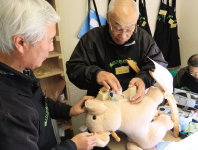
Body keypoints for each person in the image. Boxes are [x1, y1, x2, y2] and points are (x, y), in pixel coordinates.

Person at [0, 0, 97, 150]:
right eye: (49, 40)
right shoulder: (10, 113)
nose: (51, 48)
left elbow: (38, 103)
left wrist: (69, 110)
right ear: (20, 42)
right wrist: (73, 146)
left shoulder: (21, 70)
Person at [66, 0, 167, 104]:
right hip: (102, 105)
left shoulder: (143, 38)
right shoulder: (91, 39)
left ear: (136, 22)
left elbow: (159, 64)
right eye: (117, 28)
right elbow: (73, 69)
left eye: (129, 30)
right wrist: (96, 74)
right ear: (108, 18)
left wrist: (144, 79)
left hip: (134, 102)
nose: (123, 36)